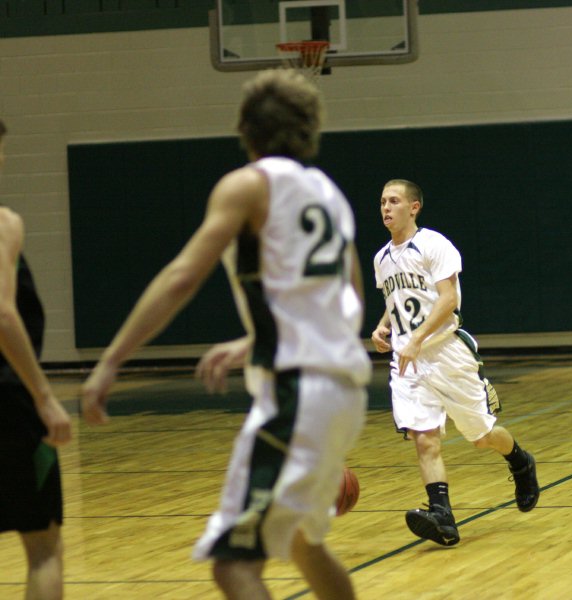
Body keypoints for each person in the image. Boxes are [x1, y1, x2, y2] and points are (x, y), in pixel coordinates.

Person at [80, 69, 372, 600]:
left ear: (246, 128)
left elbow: (182, 276)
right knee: (305, 545)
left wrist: (112, 361)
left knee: (233, 564)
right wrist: (254, 342)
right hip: (345, 392)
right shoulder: (329, 195)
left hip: (296, 393)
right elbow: (350, 297)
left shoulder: (246, 185)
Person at [370, 179, 539, 546]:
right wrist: (384, 327)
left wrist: (416, 339)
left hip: (446, 352)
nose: (386, 207)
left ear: (414, 207)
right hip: (407, 360)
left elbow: (446, 300)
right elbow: (398, 298)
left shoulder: (434, 244)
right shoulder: (381, 259)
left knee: (481, 437)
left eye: (394, 201)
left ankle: (520, 461)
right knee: (424, 437)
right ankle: (443, 518)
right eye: (382, 201)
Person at [0, 118, 72, 599]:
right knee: (44, 547)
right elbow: (3, 315)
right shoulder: (3, 223)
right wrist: (44, 397)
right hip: (7, 400)